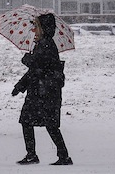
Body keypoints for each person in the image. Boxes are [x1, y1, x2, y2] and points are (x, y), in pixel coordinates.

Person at [12, 13, 71, 165]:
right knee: (33, 122)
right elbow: (35, 71)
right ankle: (56, 155)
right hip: (42, 91)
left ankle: (52, 156)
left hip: (45, 92)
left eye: (36, 27)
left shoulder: (47, 44)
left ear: (43, 29)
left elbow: (38, 66)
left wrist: (26, 59)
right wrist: (20, 86)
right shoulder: (42, 44)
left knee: (45, 124)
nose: (34, 31)